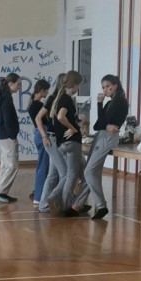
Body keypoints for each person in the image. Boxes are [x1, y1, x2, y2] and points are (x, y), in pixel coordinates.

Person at [71, 75, 129, 221]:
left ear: (115, 85)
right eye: (103, 87)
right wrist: (100, 105)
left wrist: (103, 118)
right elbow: (99, 124)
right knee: (91, 171)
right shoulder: (110, 102)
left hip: (108, 137)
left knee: (89, 171)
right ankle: (78, 204)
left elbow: (102, 122)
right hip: (101, 134)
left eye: (108, 86)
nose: (106, 90)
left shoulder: (120, 101)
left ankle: (101, 205)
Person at [38, 71, 85, 217]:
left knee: (57, 173)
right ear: (74, 84)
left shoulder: (59, 98)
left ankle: (50, 202)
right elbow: (59, 117)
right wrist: (73, 128)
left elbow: (60, 117)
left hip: (59, 141)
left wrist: (75, 123)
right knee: (68, 174)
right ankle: (61, 203)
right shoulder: (62, 98)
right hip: (60, 140)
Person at [0, 73, 22, 203]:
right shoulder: (7, 98)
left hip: (2, 134)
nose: (19, 87)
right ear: (11, 84)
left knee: (5, 164)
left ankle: (2, 191)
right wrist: (12, 134)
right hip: (7, 135)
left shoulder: (2, 96)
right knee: (12, 165)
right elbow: (8, 118)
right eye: (18, 84)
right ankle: (2, 192)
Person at [27, 79, 51, 205]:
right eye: (46, 91)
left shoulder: (33, 103)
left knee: (44, 165)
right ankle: (39, 196)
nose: (47, 93)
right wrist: (44, 135)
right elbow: (42, 121)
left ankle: (40, 193)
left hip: (38, 134)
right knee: (43, 166)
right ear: (42, 90)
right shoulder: (38, 105)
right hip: (42, 134)